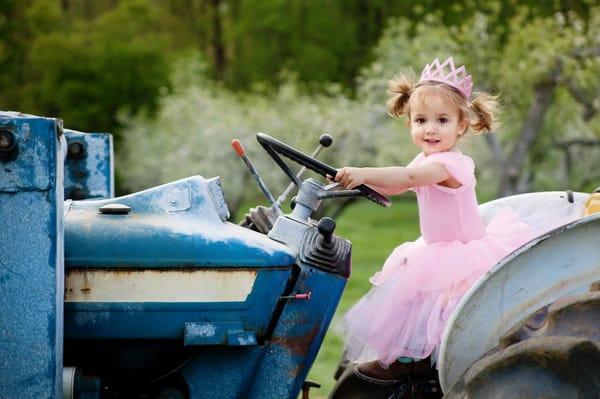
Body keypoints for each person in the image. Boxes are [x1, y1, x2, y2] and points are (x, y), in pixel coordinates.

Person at [333, 57, 535, 382]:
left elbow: (410, 177)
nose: (430, 128)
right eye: (421, 120)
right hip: (435, 248)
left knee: (448, 307)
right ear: (409, 124)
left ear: (461, 125)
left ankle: (434, 365)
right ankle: (410, 359)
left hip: (465, 252)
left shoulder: (452, 165)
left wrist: (362, 172)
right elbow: (400, 184)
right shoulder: (427, 158)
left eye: (442, 120)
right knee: (411, 294)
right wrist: (359, 182)